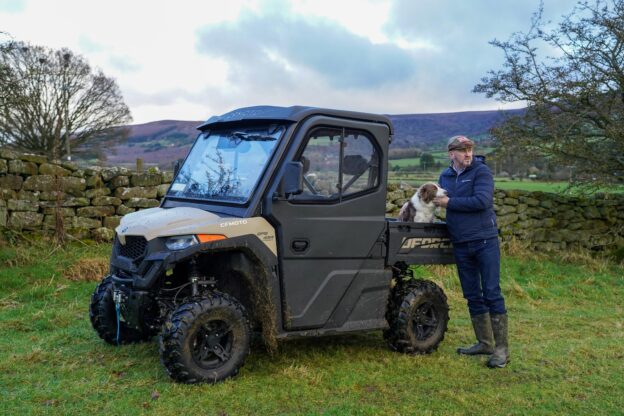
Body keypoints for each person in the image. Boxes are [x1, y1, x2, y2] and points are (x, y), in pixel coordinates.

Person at [433, 135, 509, 368]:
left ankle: (501, 350)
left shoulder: (481, 172)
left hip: (484, 241)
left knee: (491, 292)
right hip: (460, 242)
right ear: (451, 153)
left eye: (470, 149)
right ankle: (484, 343)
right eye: (463, 150)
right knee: (472, 294)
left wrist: (449, 202)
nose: (468, 154)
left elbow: (482, 201)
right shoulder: (445, 176)